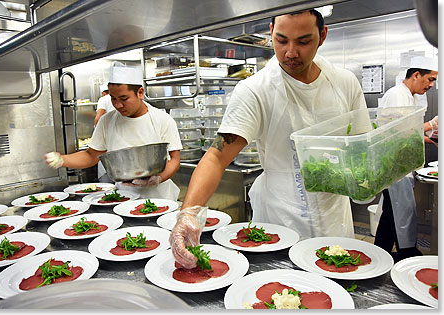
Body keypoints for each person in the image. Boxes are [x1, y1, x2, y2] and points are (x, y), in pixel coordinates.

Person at [170, 10, 368, 269]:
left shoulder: (344, 83)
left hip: (335, 219)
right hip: (281, 225)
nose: (291, 52)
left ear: (322, 36)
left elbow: (362, 146)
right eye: (281, 40)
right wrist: (189, 213)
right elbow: (217, 156)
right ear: (271, 32)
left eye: (304, 41)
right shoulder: (255, 90)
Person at [45, 62, 182, 200]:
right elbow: (91, 156)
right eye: (113, 98)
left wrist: (157, 179)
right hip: (124, 198)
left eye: (124, 98)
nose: (117, 105)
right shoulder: (107, 121)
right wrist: (62, 159)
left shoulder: (162, 119)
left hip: (160, 199)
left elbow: (175, 160)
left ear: (140, 93)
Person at [374, 56, 438, 262]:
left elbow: (410, 133)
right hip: (394, 165)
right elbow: (397, 131)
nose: (431, 85)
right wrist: (432, 125)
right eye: (430, 79)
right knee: (399, 212)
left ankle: (381, 253)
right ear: (416, 74)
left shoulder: (410, 97)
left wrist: (431, 139)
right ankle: (405, 253)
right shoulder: (396, 95)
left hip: (401, 165)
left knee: (392, 213)